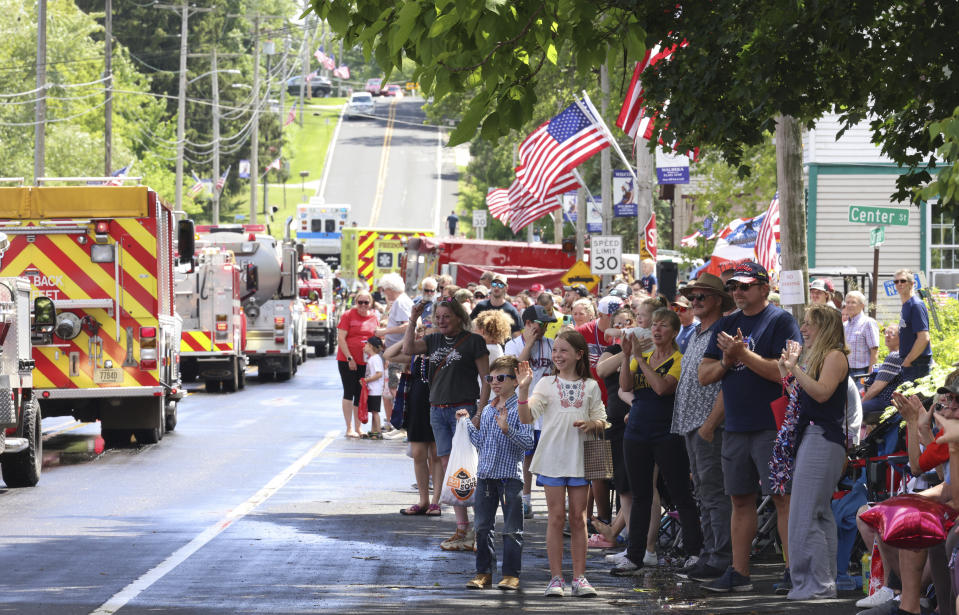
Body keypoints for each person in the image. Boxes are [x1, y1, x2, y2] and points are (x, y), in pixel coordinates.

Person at [699, 262, 802, 593]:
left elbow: (784, 372)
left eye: (743, 286)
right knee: (740, 500)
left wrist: (742, 356)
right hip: (736, 426)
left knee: (781, 498)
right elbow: (705, 374)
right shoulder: (727, 324)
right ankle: (739, 572)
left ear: (764, 287)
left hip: (771, 425)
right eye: (732, 288)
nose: (737, 292)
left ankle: (792, 571)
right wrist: (728, 360)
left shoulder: (781, 320)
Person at [610, 308, 703, 576]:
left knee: (680, 492)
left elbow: (662, 388)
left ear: (674, 332)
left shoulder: (679, 359)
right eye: (655, 325)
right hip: (637, 430)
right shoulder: (643, 356)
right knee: (640, 495)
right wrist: (628, 356)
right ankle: (635, 556)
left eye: (663, 326)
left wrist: (640, 358)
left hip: (667, 432)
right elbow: (626, 386)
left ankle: (694, 552)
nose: (657, 330)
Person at [517, 330, 607, 598]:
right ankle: (555, 578)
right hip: (553, 458)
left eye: (563, 350)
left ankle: (580, 578)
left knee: (579, 520)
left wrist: (591, 423)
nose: (557, 355)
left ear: (579, 355)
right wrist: (523, 389)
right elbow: (526, 417)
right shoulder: (545, 383)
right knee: (556, 518)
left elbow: (602, 419)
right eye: (555, 350)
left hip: (581, 459)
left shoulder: (590, 386)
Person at [773, 304, 849, 600]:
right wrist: (786, 372)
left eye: (809, 324)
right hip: (815, 436)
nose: (803, 328)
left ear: (825, 327)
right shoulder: (822, 357)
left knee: (805, 515)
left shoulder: (834, 356)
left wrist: (794, 368)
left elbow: (821, 392)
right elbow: (804, 397)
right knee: (817, 514)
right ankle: (822, 582)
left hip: (822, 438)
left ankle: (815, 586)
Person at [403, 298, 491, 551]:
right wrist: (413, 319)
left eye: (446, 316)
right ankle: (461, 527)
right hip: (436, 410)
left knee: (469, 468)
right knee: (448, 466)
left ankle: (479, 526)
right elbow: (408, 349)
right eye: (437, 317)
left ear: (459, 317)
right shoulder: (432, 340)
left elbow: (485, 379)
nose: (441, 321)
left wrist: (480, 411)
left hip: (463, 410)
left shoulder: (474, 341)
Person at [670, 273, 735, 581]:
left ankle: (720, 558)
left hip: (710, 424)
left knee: (714, 493)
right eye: (692, 298)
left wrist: (711, 423)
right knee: (703, 492)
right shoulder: (696, 332)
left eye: (701, 297)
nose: (694, 302)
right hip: (691, 424)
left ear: (718, 300)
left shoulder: (723, 333)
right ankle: (710, 554)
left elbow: (728, 381)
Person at [460, 355, 535, 591]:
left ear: (515, 381)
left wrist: (507, 429)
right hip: (485, 477)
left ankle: (511, 575)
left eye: (500, 378)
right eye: (490, 378)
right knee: (482, 527)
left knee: (512, 529)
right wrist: (466, 424)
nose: (494, 382)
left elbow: (527, 442)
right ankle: (483, 573)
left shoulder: (521, 408)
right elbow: (481, 443)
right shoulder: (489, 407)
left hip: (509, 478)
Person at [504, 305, 556, 519]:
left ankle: (552, 502)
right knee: (524, 457)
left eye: (546, 325)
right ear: (527, 324)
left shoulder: (551, 344)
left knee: (546, 456)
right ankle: (525, 500)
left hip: (546, 410)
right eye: (540, 324)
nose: (543, 329)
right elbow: (514, 370)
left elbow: (556, 370)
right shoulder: (513, 345)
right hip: (522, 407)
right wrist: (531, 342)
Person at [590, 308, 636, 549]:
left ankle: (620, 532)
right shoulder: (613, 350)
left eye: (628, 322)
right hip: (611, 419)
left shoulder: (647, 350)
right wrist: (628, 350)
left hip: (634, 419)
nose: (623, 326)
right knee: (603, 471)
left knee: (629, 481)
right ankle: (608, 523)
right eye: (619, 323)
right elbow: (601, 370)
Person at [390, 335, 443, 517]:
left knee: (436, 454)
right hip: (416, 405)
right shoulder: (413, 356)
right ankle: (423, 500)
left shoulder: (442, 354)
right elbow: (389, 354)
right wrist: (407, 336)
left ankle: (436, 501)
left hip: (438, 403)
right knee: (419, 454)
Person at [336, 290, 380, 438]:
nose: (362, 305)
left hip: (365, 362)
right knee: (349, 392)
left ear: (370, 303)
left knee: (360, 393)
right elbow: (341, 338)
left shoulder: (374, 317)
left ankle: (358, 427)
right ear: (356, 302)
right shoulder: (348, 315)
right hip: (347, 360)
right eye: (360, 302)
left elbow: (376, 339)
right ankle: (349, 428)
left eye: (366, 302)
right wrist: (349, 358)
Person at [375, 273, 413, 427]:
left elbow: (406, 325)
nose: (385, 293)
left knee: (394, 387)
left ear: (391, 289)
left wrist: (385, 332)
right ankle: (399, 423)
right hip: (397, 350)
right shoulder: (401, 301)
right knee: (394, 387)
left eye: (385, 290)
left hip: (399, 352)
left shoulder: (401, 302)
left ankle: (401, 423)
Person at [894, 269, 932, 381]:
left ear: (912, 284)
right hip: (910, 362)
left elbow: (923, 337)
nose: (899, 284)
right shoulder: (906, 305)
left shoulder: (915, 305)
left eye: (903, 281)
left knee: (913, 398)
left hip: (917, 364)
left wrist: (908, 360)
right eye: (896, 282)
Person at [861, 324, 904, 422]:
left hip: (887, 401)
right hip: (890, 400)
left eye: (892, 334)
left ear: (901, 338)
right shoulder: (898, 354)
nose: (887, 336)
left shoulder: (895, 356)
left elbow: (877, 387)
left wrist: (861, 403)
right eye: (886, 332)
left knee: (853, 411)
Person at [842, 290, 880, 381]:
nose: (850, 305)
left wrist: (871, 375)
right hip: (846, 372)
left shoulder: (868, 323)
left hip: (863, 373)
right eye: (848, 302)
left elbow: (874, 352)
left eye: (853, 302)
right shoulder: (844, 325)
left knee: (861, 395)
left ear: (862, 305)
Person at [359, 336, 386, 438]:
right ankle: (373, 431)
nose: (364, 346)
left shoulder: (375, 359)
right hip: (372, 389)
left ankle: (378, 432)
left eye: (366, 344)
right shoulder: (372, 358)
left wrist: (367, 380)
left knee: (375, 412)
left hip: (375, 389)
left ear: (370, 346)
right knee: (373, 411)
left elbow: (379, 374)